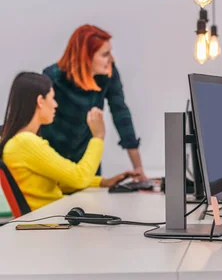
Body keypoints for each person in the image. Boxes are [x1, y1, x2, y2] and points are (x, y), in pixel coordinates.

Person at [0, 72, 133, 209]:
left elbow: (59, 180)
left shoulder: (20, 141)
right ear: (40, 101)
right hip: (50, 221)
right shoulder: (25, 142)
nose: (56, 104)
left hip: (51, 217)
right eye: (52, 98)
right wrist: (98, 137)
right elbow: (79, 178)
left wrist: (102, 182)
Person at [40, 25, 147, 180]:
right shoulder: (53, 77)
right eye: (105, 54)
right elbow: (34, 120)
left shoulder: (108, 73)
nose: (112, 59)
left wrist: (138, 168)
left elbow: (121, 114)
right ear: (86, 56)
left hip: (87, 155)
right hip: (54, 157)